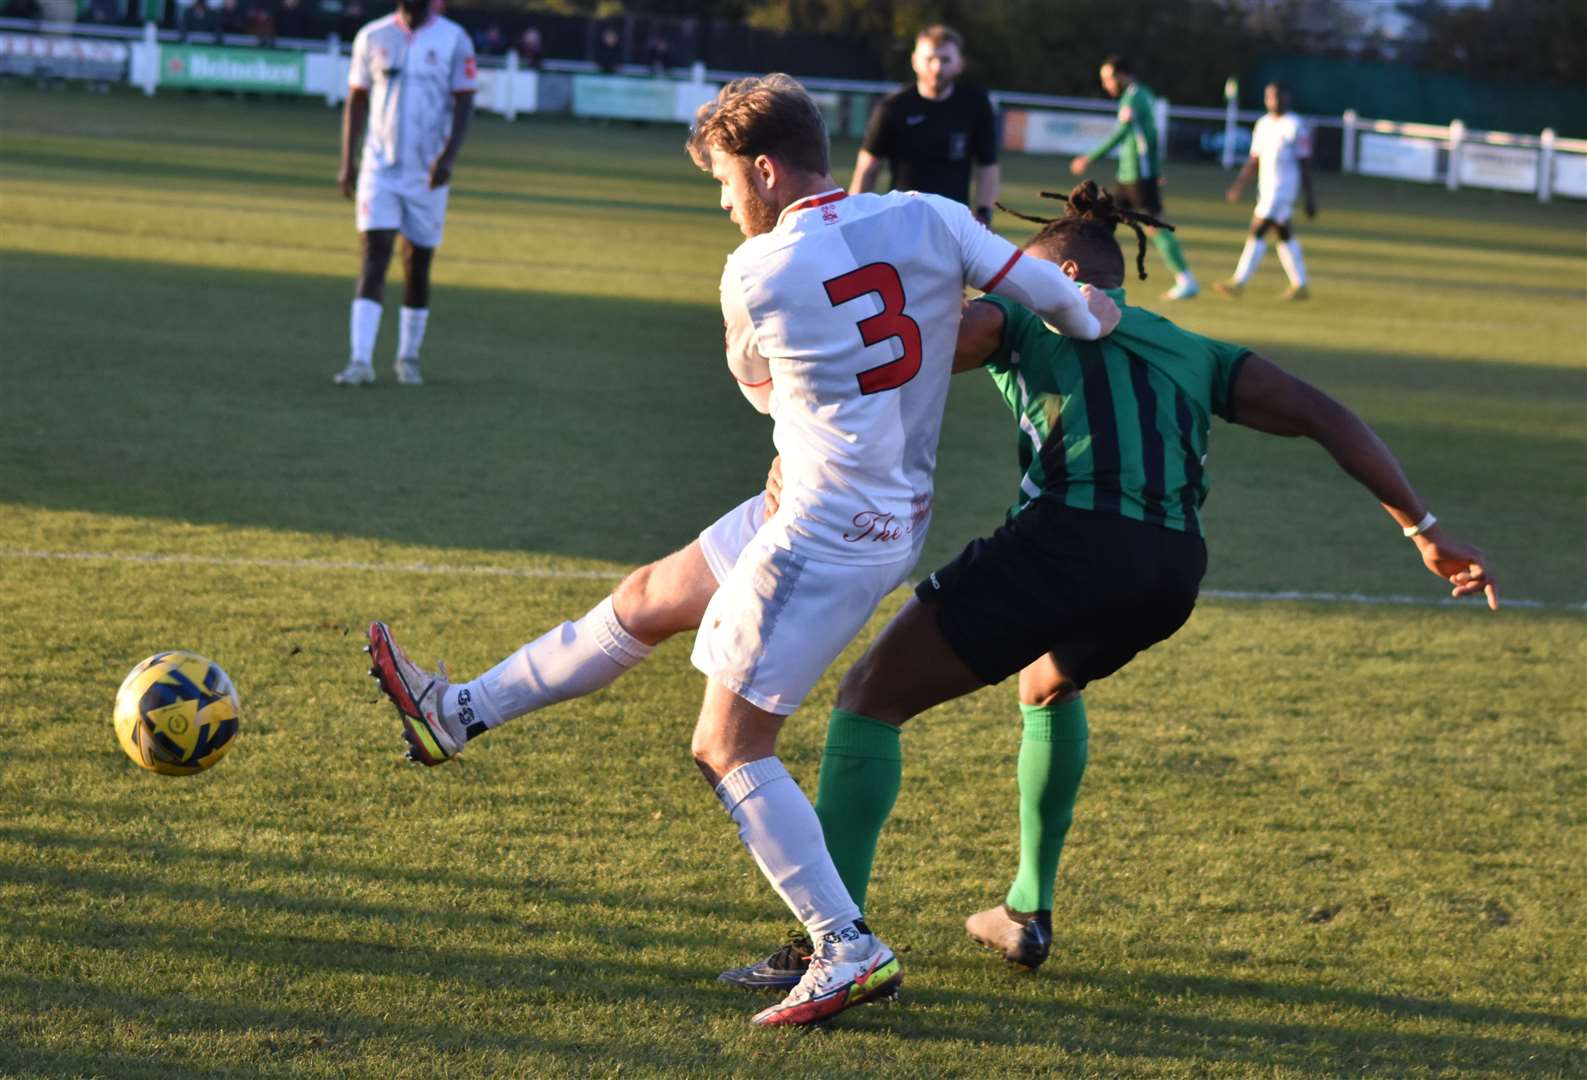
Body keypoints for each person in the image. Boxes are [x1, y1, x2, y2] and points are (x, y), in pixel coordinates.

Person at [364, 75, 1119, 1028]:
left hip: (822, 527)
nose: (724, 204)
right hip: (873, 507)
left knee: (726, 745)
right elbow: (1063, 300)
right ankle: (458, 713)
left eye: (725, 183)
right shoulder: (932, 215)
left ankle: (846, 947)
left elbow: (762, 392)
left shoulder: (755, 273)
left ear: (765, 170)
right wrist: (1103, 324)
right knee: (647, 599)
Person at [720, 181, 1498, 989]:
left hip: (1065, 541)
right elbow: (1326, 415)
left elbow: (896, 351)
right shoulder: (1195, 349)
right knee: (1047, 685)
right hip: (1168, 568)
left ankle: (827, 946)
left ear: (1049, 275)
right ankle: (1026, 911)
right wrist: (1424, 529)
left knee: (869, 699)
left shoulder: (1020, 315)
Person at [333, 0, 476, 387]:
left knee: (417, 263)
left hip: (427, 173)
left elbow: (465, 100)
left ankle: (407, 356)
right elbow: (357, 98)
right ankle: (360, 360)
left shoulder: (454, 39)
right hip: (379, 167)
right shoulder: (372, 35)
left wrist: (448, 158)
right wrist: (348, 161)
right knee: (374, 255)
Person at [1070, 55, 1199, 300]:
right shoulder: (1140, 95)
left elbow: (1123, 134)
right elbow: (1147, 135)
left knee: (1153, 225)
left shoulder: (1135, 98)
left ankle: (1187, 280)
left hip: (1138, 176)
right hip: (1130, 174)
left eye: (1108, 79)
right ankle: (1090, 278)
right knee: (1102, 222)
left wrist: (1090, 157)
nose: (1106, 85)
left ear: (1122, 75)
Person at [850, 24, 999, 224]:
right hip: (902, 222)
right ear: (915, 61)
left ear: (959, 64)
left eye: (945, 60)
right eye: (930, 59)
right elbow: (867, 168)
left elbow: (988, 166)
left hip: (953, 224)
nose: (937, 67)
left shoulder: (976, 105)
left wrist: (984, 213)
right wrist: (854, 215)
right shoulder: (892, 108)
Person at [1216, 82, 1317, 300]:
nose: (1275, 101)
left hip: (1283, 190)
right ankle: (1300, 285)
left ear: (1287, 98)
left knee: (1257, 229)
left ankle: (1239, 282)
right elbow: (1254, 159)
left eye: (1279, 96)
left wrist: (1310, 197)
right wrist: (1239, 185)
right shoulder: (1262, 125)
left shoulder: (1295, 125)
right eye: (1270, 97)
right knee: (1284, 235)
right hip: (1266, 189)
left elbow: (1305, 163)